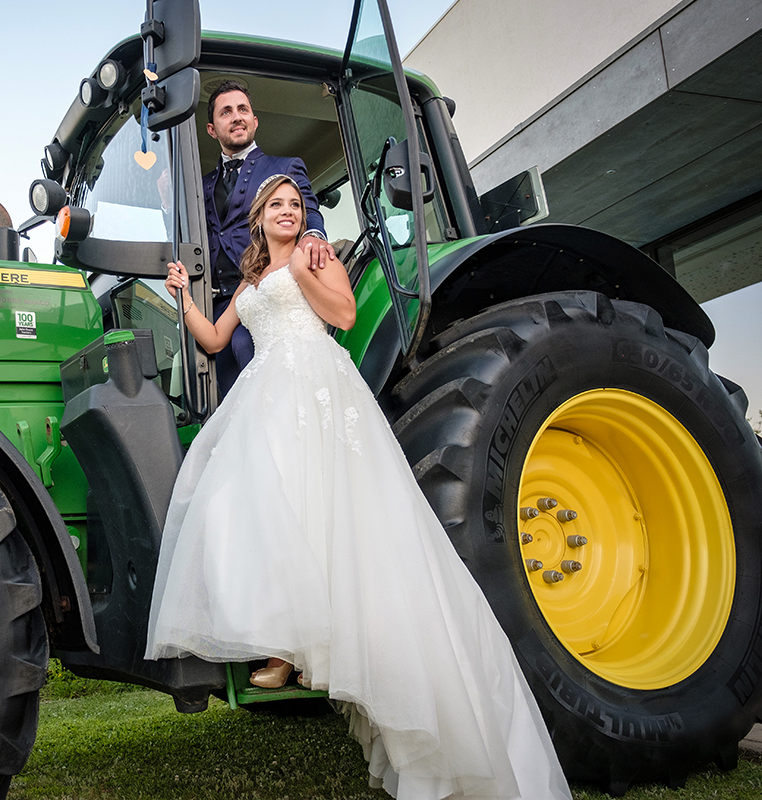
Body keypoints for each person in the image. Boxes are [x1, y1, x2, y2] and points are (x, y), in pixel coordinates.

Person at [145, 174, 572, 800]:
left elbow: (341, 314)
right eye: (278, 205)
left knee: (329, 515)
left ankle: (309, 648)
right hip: (264, 395)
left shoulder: (317, 255)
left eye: (296, 205)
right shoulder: (251, 280)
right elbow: (213, 339)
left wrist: (309, 263)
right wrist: (182, 298)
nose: (288, 212)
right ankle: (286, 641)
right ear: (260, 217)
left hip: (315, 387)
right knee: (254, 511)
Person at [202, 80, 336, 395]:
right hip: (217, 301)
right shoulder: (201, 183)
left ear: (254, 120)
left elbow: (310, 210)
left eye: (242, 110)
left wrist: (313, 236)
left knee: (249, 358)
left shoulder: (284, 167)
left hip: (262, 289)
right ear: (212, 129)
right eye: (226, 112)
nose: (236, 117)